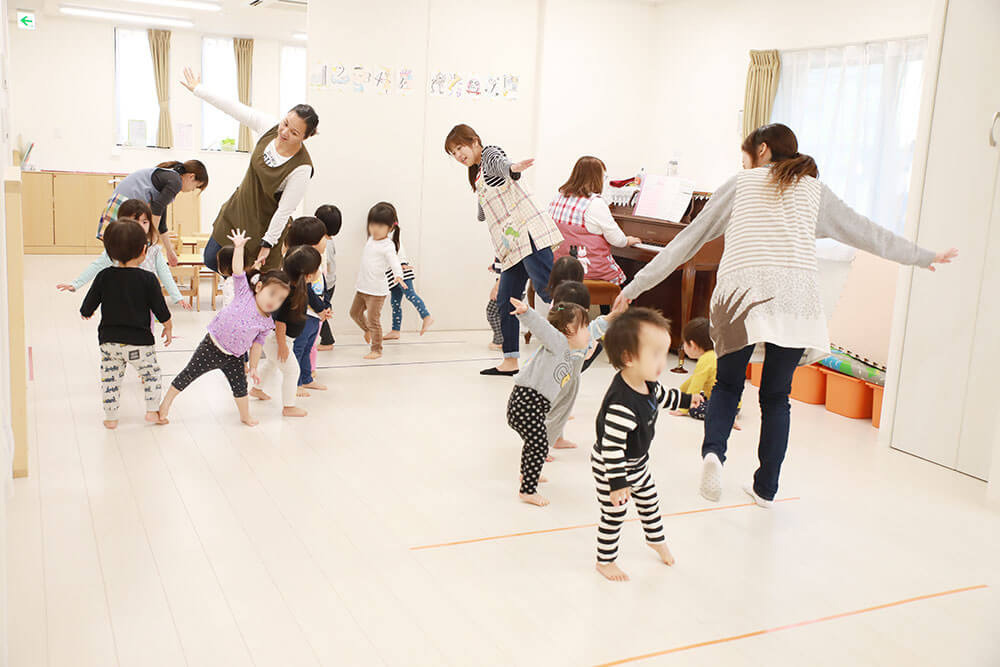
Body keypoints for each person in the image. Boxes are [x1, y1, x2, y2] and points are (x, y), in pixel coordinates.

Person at [613, 123, 958, 507]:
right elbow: (867, 232)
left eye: (746, 156)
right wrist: (921, 256)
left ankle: (713, 455)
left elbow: (687, 241)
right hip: (796, 301)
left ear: (762, 150)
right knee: (777, 398)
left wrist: (635, 287)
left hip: (740, 296)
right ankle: (766, 489)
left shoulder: (740, 185)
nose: (744, 164)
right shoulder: (814, 190)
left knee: (727, 386)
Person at [445, 124, 563, 376]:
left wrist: (513, 169)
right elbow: (487, 207)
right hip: (512, 245)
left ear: (474, 141)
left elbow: (500, 164)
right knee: (506, 299)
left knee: (548, 291)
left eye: (460, 147)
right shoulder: (477, 173)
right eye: (453, 153)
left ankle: (584, 341)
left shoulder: (489, 155)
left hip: (528, 233)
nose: (458, 155)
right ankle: (510, 361)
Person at [180, 66, 318, 272]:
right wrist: (198, 89)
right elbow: (234, 108)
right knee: (211, 259)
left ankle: (240, 289)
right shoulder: (269, 127)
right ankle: (236, 287)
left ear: (305, 137)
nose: (284, 132)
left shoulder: (302, 168)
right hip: (236, 211)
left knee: (254, 280)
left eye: (294, 132)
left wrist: (268, 243)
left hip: (262, 228)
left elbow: (284, 211)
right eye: (285, 123)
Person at [158, 229, 291, 427]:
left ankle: (245, 415)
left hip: (235, 357)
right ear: (259, 287)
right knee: (189, 374)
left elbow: (257, 346)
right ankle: (165, 404)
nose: (274, 301)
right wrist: (239, 248)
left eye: (280, 299)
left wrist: (254, 367)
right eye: (272, 294)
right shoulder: (244, 292)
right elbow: (237, 270)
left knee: (240, 388)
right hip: (212, 345)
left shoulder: (266, 322)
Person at [592, 308, 688, 582]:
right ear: (628, 358)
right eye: (656, 355)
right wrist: (617, 483)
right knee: (614, 514)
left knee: (649, 501)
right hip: (611, 467)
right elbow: (611, 447)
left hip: (638, 463)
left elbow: (663, 396)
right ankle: (605, 561)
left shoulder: (647, 383)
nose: (663, 362)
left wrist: (688, 400)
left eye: (664, 353)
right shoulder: (621, 405)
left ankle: (655, 539)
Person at [79, 219, 173, 429]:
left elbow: (88, 305)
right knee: (151, 374)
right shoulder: (148, 279)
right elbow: (160, 309)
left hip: (109, 342)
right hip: (140, 343)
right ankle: (152, 411)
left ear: (109, 252)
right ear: (143, 251)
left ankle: (111, 418)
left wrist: (86, 312)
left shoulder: (104, 276)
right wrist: (168, 326)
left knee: (110, 379)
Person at [505, 297, 591, 507]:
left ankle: (527, 475)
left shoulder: (568, 352)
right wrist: (527, 312)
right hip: (527, 402)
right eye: (584, 327)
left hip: (533, 405)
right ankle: (527, 491)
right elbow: (543, 329)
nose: (588, 332)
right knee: (539, 444)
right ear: (568, 329)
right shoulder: (558, 342)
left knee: (536, 444)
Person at [58, 198, 192, 311]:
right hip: (120, 299)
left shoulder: (154, 249)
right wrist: (76, 284)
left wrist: (177, 296)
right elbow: (97, 265)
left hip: (144, 301)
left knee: (145, 329)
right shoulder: (117, 247)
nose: (140, 226)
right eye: (134, 221)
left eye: (144, 222)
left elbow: (164, 273)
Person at [548, 156, 640, 292]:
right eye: (604, 177)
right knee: (626, 286)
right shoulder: (595, 203)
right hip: (588, 272)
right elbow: (618, 240)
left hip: (561, 268)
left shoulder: (558, 198)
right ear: (597, 177)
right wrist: (628, 240)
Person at [250, 245, 319, 417]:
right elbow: (280, 322)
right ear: (308, 275)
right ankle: (289, 406)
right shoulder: (290, 294)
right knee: (292, 370)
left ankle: (257, 389)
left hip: (276, 338)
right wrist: (282, 346)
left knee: (271, 363)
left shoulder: (299, 289)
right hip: (277, 338)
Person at [96, 160, 208, 265]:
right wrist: (151, 236)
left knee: (119, 255)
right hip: (123, 205)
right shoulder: (176, 181)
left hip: (121, 204)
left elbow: (161, 223)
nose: (192, 190)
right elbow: (157, 209)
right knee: (119, 254)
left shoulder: (170, 178)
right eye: (196, 186)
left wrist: (169, 251)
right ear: (191, 176)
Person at [350, 202, 406, 360]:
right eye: (372, 224)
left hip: (376, 292)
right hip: (362, 287)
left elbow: (394, 262)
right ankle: (367, 330)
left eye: (380, 226)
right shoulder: (371, 240)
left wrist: (398, 275)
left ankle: (377, 349)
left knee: (373, 320)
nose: (375, 229)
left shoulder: (388, 245)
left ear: (391, 228)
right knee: (354, 313)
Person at [382, 208, 434, 339]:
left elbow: (398, 254)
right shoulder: (390, 235)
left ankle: (426, 316)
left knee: (410, 294)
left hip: (401, 270)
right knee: (395, 302)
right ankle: (395, 330)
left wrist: (402, 265)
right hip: (392, 273)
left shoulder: (390, 236)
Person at [315, 204, 342, 351]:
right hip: (327, 283)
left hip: (326, 285)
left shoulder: (326, 244)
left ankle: (327, 341)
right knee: (320, 311)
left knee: (320, 312)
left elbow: (326, 266)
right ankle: (326, 339)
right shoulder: (326, 240)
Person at [486, 258, 503, 351]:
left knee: (491, 312)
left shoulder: (505, 249)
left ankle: (500, 341)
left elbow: (507, 270)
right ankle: (501, 340)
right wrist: (494, 266)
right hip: (515, 288)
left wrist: (496, 288)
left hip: (506, 288)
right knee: (504, 314)